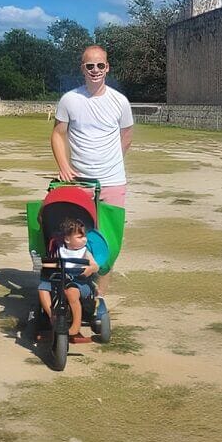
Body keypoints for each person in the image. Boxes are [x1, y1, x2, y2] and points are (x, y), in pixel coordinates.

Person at [51, 45, 133, 299]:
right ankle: (74, 287)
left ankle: (100, 297)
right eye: (90, 66)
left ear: (107, 67)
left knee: (109, 240)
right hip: (79, 182)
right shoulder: (70, 100)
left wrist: (109, 161)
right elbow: (57, 133)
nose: (95, 70)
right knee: (76, 235)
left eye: (100, 65)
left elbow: (126, 136)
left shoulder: (120, 101)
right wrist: (64, 166)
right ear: (82, 69)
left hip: (112, 181)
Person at [37, 217, 100, 343]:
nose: (84, 239)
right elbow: (52, 265)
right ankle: (52, 316)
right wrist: (46, 266)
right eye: (79, 237)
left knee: (71, 292)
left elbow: (95, 265)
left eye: (84, 236)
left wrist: (90, 269)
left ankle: (76, 326)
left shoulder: (84, 251)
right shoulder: (59, 249)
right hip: (60, 279)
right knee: (42, 288)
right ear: (67, 239)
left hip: (79, 282)